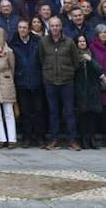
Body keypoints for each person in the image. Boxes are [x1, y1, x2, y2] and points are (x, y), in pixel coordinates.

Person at [41, 16, 81, 151]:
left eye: (57, 25)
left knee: (69, 112)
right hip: (50, 81)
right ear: (49, 27)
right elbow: (41, 59)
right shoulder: (43, 42)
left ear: (61, 26)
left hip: (66, 81)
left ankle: (72, 140)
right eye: (52, 26)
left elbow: (76, 62)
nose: (55, 28)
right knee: (53, 112)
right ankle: (54, 139)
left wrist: (68, 72)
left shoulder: (69, 42)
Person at [9, 18, 44, 147]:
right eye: (20, 28)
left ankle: (39, 137)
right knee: (25, 112)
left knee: (38, 111)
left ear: (29, 29)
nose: (22, 30)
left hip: (36, 80)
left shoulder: (38, 42)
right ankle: (27, 137)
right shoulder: (13, 44)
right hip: (22, 81)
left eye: (24, 27)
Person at [73, 35, 103, 149]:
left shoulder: (92, 53)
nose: (81, 43)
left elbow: (99, 69)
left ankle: (92, 138)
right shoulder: (74, 55)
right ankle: (84, 138)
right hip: (80, 89)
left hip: (92, 89)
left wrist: (90, 60)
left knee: (92, 115)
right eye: (79, 41)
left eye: (83, 41)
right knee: (83, 115)